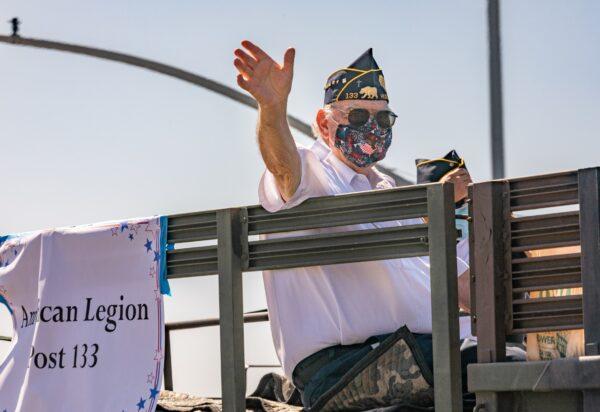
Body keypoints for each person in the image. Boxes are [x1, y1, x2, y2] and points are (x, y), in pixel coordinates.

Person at [233, 41, 492, 409]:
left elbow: (455, 280)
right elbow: (283, 167)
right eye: (357, 117)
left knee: (520, 360)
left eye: (383, 119)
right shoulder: (312, 172)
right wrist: (272, 108)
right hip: (350, 367)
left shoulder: (384, 188)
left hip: (413, 353)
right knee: (506, 367)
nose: (373, 128)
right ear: (325, 124)